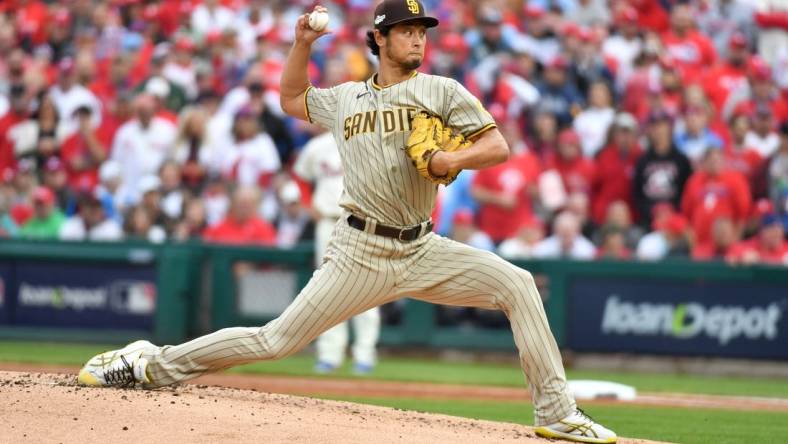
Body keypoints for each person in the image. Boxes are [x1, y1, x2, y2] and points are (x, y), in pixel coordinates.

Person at [77, 3, 616, 443]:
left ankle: (557, 414)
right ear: (378, 39)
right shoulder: (346, 99)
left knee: (517, 284)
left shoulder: (442, 91)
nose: (417, 40)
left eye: (422, 31)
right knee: (274, 341)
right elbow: (291, 98)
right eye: (406, 31)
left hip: (422, 248)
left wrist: (453, 160)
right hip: (359, 252)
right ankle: (150, 364)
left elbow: (496, 145)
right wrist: (302, 45)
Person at [293, 127, 381, 375]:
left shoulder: (369, 140)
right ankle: (329, 354)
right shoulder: (317, 145)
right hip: (328, 222)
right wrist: (308, 205)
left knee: (367, 287)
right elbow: (300, 175)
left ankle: (365, 354)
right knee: (327, 287)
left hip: (363, 223)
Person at [532, 211, 596, 260]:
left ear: (577, 231)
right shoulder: (542, 249)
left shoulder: (587, 251)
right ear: (556, 231)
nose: (566, 235)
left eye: (569, 231)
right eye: (562, 231)